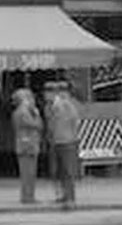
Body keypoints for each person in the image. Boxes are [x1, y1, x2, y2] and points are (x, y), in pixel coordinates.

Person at [44, 81, 81, 209]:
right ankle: (63, 195)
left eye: (48, 92)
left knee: (68, 170)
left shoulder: (67, 105)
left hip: (67, 141)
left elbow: (75, 121)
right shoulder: (50, 106)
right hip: (56, 141)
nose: (46, 95)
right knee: (58, 171)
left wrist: (71, 136)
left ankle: (70, 198)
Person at [10, 88, 43, 204]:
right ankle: (28, 197)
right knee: (28, 173)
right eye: (30, 98)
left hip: (26, 144)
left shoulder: (20, 112)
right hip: (28, 145)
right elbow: (36, 125)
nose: (32, 100)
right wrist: (37, 116)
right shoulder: (23, 112)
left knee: (28, 173)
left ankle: (28, 195)